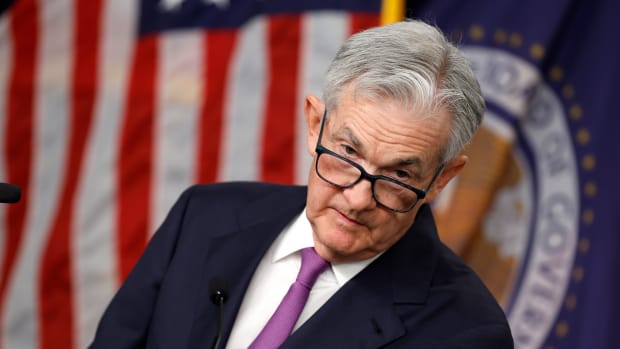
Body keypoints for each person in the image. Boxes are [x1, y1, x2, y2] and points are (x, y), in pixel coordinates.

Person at [90, 19, 514, 348]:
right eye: (348, 153)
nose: (358, 197)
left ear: (441, 179)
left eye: (399, 175)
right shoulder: (202, 217)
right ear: (315, 125)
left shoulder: (467, 332)